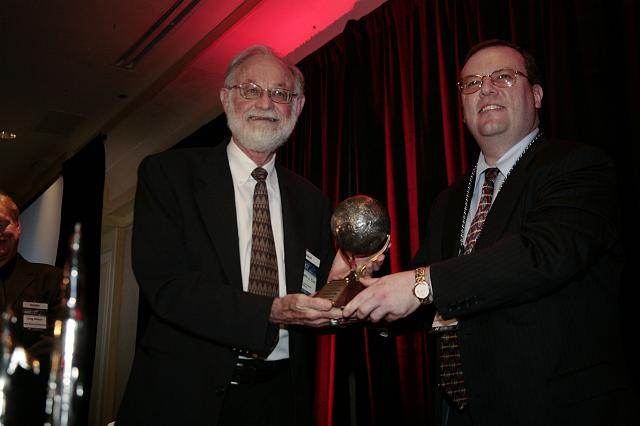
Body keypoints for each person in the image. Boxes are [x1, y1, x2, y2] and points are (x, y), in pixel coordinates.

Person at [342, 40, 636, 425]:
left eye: (503, 77)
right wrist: (360, 289)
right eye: (472, 83)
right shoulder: (448, 200)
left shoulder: (578, 167)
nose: (486, 89)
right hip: (458, 410)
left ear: (537, 94)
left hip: (556, 408)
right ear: (462, 111)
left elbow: (541, 254)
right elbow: (423, 297)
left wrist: (419, 283)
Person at [117, 45, 345, 426]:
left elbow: (310, 301)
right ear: (225, 98)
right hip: (182, 397)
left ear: (298, 107)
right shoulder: (168, 176)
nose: (266, 103)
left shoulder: (312, 200)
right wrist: (267, 311)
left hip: (279, 398)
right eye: (250, 89)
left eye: (280, 93)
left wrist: (339, 285)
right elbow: (169, 286)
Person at [0, 191, 63, 425]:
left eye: (1, 223)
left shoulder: (50, 279)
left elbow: (57, 340)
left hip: (29, 407)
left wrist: (13, 363)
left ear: (17, 226)